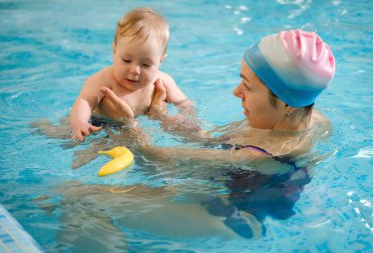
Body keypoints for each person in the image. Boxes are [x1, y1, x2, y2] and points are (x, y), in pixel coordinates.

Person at [107, 29, 335, 238]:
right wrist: (162, 117)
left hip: (230, 217)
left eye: (247, 86)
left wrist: (126, 124)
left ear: (287, 102)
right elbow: (210, 139)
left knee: (84, 201)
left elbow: (156, 156)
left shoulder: (264, 154)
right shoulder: (307, 119)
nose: (236, 92)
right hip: (234, 187)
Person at [69, 7, 194, 143]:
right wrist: (80, 122)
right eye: (126, 60)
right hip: (99, 125)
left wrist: (184, 117)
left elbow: (185, 104)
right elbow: (85, 101)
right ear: (114, 50)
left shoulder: (162, 81)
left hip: (136, 126)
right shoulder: (102, 80)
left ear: (160, 61)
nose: (135, 70)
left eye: (146, 64)